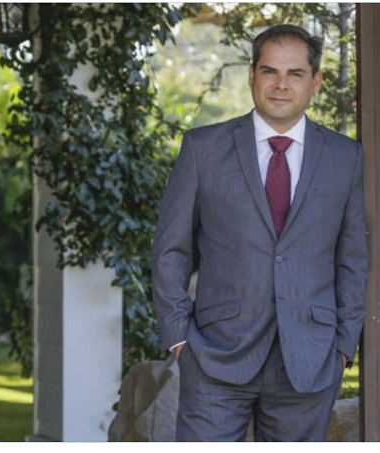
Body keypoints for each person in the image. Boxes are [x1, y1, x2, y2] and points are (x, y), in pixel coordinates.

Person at [150, 24, 368, 442]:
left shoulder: (345, 157)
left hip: (310, 360)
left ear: (316, 81)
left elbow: (352, 258)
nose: (281, 84)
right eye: (270, 71)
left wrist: (343, 346)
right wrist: (178, 337)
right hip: (215, 355)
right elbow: (170, 250)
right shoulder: (203, 148)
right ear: (252, 75)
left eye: (295, 73)